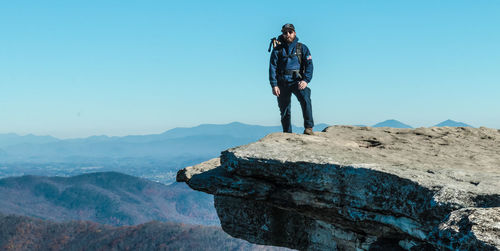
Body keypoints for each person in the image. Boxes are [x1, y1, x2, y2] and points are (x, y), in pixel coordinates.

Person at [269, 23, 314, 135]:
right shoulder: (277, 50)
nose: (288, 34)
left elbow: (309, 65)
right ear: (283, 34)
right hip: (282, 82)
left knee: (305, 100)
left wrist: (305, 80)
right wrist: (274, 85)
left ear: (294, 33)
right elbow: (272, 68)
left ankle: (308, 128)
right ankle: (287, 133)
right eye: (285, 32)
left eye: (290, 32)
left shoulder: (302, 48)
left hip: (297, 81)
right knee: (284, 110)